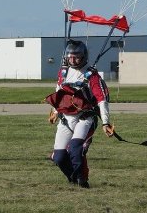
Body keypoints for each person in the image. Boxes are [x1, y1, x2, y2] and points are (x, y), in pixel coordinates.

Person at [45, 38, 116, 187]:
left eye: (77, 56)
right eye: (70, 56)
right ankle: (73, 178)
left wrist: (106, 122)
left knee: (76, 149)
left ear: (84, 56)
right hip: (66, 118)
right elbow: (59, 92)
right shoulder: (63, 72)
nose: (73, 59)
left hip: (85, 118)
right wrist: (55, 111)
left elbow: (102, 99)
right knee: (58, 157)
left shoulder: (92, 75)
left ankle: (82, 180)